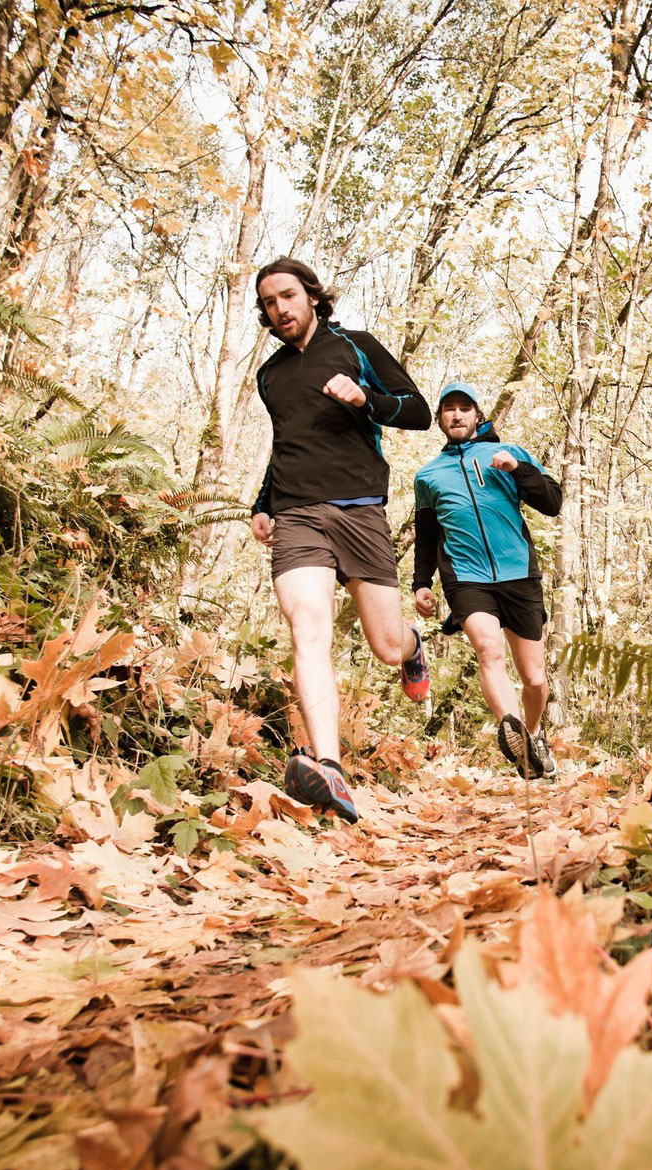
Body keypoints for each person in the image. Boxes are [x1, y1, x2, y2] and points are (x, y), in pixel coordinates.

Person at [248, 258, 432, 821]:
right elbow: (288, 443)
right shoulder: (271, 375)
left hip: (360, 511)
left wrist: (365, 401)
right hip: (297, 514)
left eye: (288, 296)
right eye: (270, 303)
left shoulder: (357, 346)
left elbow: (419, 412)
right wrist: (263, 503)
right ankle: (330, 767)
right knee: (308, 629)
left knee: (384, 644)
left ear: (311, 295)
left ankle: (412, 646)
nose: (280, 309)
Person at [412, 382, 563, 779]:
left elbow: (552, 503)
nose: (456, 415)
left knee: (534, 679)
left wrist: (520, 470)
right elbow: (427, 534)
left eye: (465, 408)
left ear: (479, 415)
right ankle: (515, 739)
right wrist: (420, 582)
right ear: (440, 419)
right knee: (489, 652)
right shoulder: (429, 476)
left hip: (519, 574)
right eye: (448, 409)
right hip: (466, 578)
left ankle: (531, 735)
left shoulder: (508, 454)